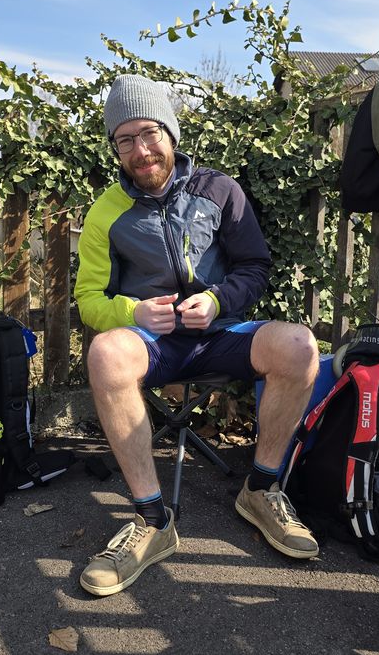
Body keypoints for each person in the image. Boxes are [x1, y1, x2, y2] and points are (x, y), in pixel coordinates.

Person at [74, 73, 320, 597]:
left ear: (171, 133)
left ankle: (260, 490)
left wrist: (216, 301)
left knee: (299, 345)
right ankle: (151, 521)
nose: (141, 150)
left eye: (149, 133)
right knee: (105, 353)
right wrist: (134, 311)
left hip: (222, 334)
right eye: (125, 139)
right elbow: (89, 299)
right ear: (115, 148)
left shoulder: (220, 190)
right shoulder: (104, 213)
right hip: (154, 345)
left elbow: (254, 267)